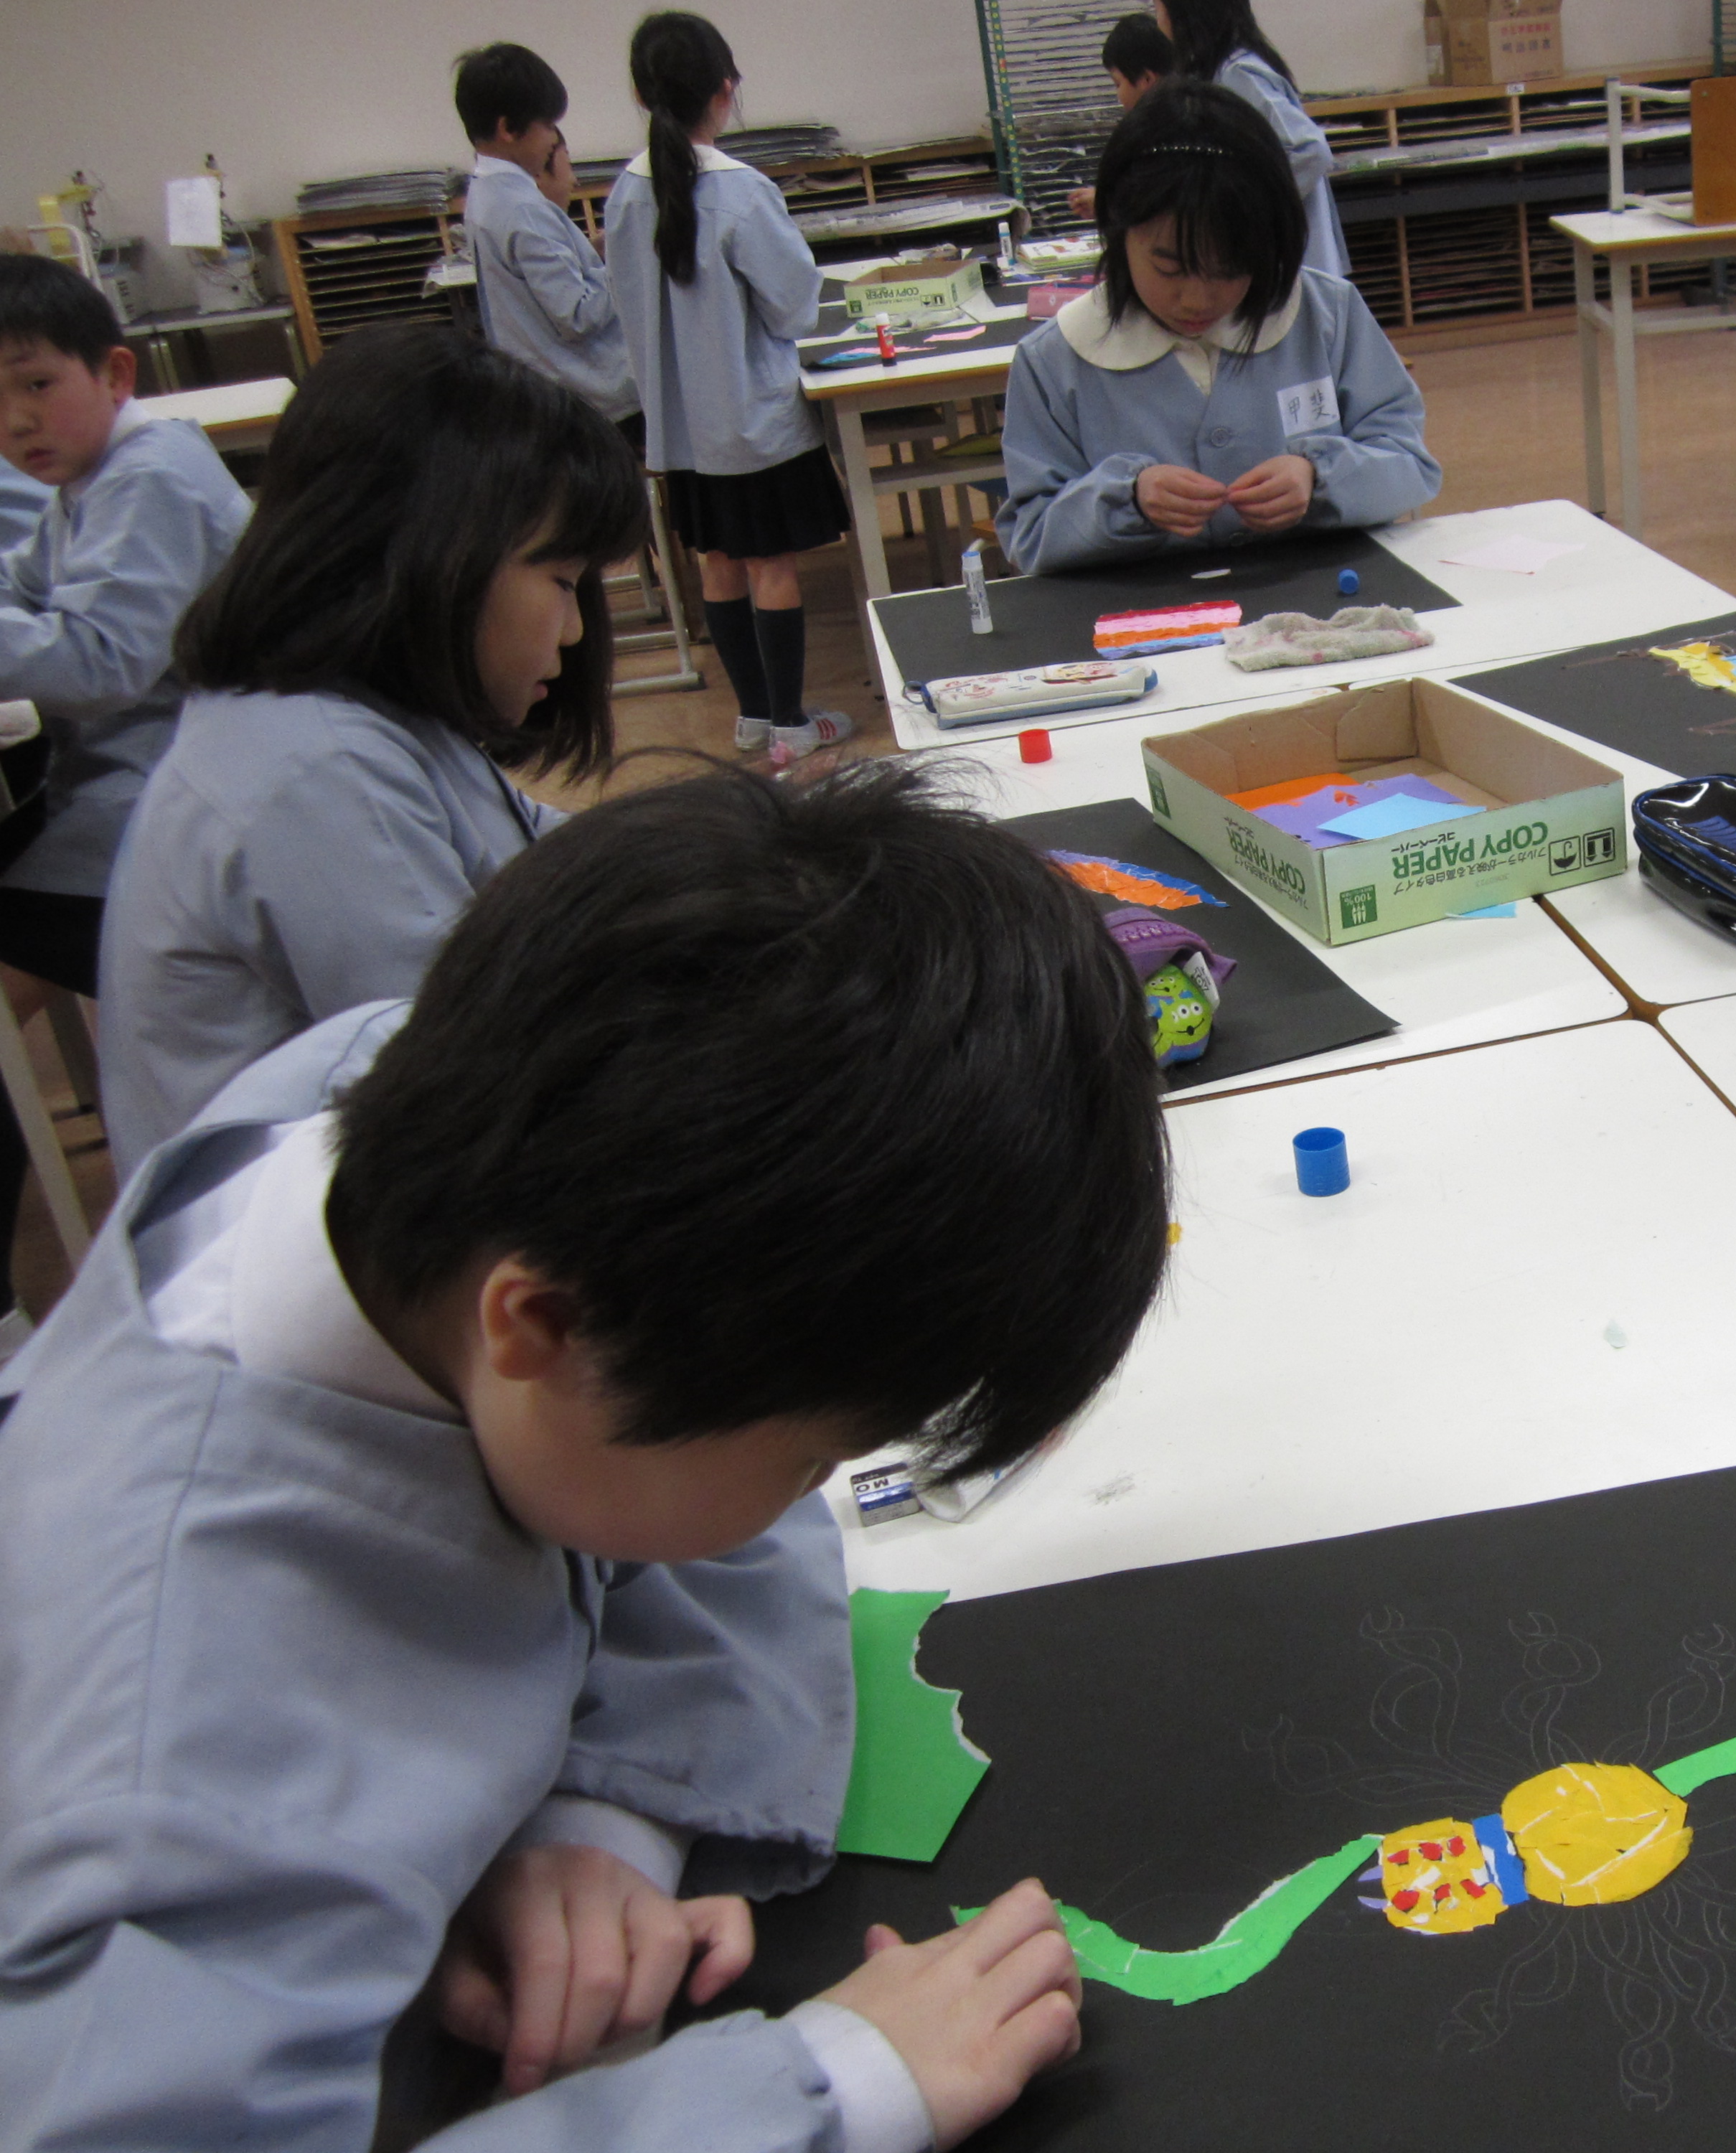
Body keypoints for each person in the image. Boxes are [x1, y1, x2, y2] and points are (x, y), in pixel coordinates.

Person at [0, 758, 1173, 2150]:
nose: (809, 1502)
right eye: (809, 1461)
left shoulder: (409, 1097)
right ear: (542, 1325)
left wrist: (602, 1813)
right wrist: (823, 2092)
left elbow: (664, 1492)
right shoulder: (176, 1794)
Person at [98, 326, 636, 1178]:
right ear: (434, 555)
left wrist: (739, 847)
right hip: (305, 1241)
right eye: (563, 582)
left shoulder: (371, 717)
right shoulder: (315, 770)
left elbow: (539, 847)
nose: (573, 631)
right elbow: (475, 1080)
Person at [0, 253, 250, 1345]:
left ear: (114, 370)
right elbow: (28, 596)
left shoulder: (147, 474)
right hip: (129, 781)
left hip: (171, 802)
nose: (15, 421)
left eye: (33, 384)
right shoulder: (86, 483)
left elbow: (98, 658)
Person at [997, 79, 1437, 573]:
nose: (1197, 299)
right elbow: (1032, 535)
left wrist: (1318, 476)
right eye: (1170, 268)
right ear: (1120, 235)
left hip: (1318, 613)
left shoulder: (1325, 314)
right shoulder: (1056, 361)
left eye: (1230, 270)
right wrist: (1128, 499)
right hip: (1146, 632)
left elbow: (1409, 466)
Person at [609, 9, 853, 766]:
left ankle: (751, 717)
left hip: (680, 428)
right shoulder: (739, 191)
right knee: (771, 565)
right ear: (725, 89)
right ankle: (789, 723)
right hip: (753, 419)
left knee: (718, 561)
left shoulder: (623, 192)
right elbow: (793, 303)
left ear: (641, 95)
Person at [456, 42, 644, 441]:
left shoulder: (486, 193)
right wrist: (627, 263)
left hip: (544, 394)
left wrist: (595, 250)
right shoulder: (523, 207)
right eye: (547, 127)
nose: (551, 141)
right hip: (591, 401)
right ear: (509, 129)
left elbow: (544, 279)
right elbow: (578, 316)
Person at [1152, 0, 1352, 280]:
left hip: (1291, 265)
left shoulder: (1238, 75)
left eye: (1159, 8)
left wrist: (1245, 208)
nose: (1158, 21)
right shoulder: (1220, 74)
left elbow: (1310, 151)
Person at [1068, 14, 1176, 221]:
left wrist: (1109, 204)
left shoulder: (1170, 133)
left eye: (1118, 84)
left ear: (1146, 79)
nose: (1118, 95)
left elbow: (1160, 206)